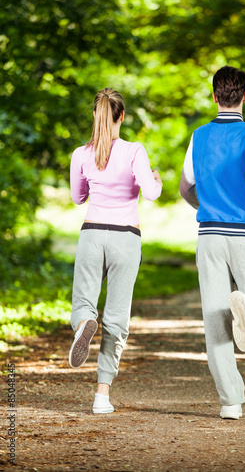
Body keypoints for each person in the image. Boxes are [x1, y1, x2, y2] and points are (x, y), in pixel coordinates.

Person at [180, 66, 245, 420]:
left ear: (214, 96)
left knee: (215, 319)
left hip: (208, 235)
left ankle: (230, 403)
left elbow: (186, 188)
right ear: (243, 95)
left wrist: (207, 207)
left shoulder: (198, 136)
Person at [69, 88, 162, 414]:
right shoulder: (135, 151)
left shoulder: (81, 154)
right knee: (117, 318)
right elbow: (150, 194)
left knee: (83, 302)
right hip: (126, 238)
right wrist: (155, 178)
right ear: (121, 116)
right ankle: (102, 396)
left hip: (92, 234)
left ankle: (83, 325)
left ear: (96, 115)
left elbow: (78, 197)